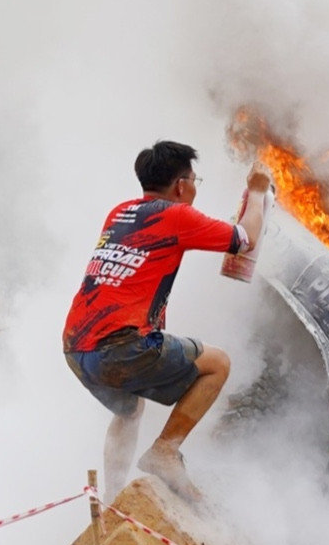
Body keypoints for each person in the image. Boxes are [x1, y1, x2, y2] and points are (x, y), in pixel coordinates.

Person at [64, 140, 268, 502]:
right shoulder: (177, 216)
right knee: (218, 364)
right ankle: (165, 452)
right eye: (195, 180)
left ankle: (113, 499)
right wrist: (256, 193)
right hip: (119, 348)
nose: (194, 188)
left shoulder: (120, 213)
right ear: (181, 185)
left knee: (129, 410)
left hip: (76, 349)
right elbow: (246, 239)